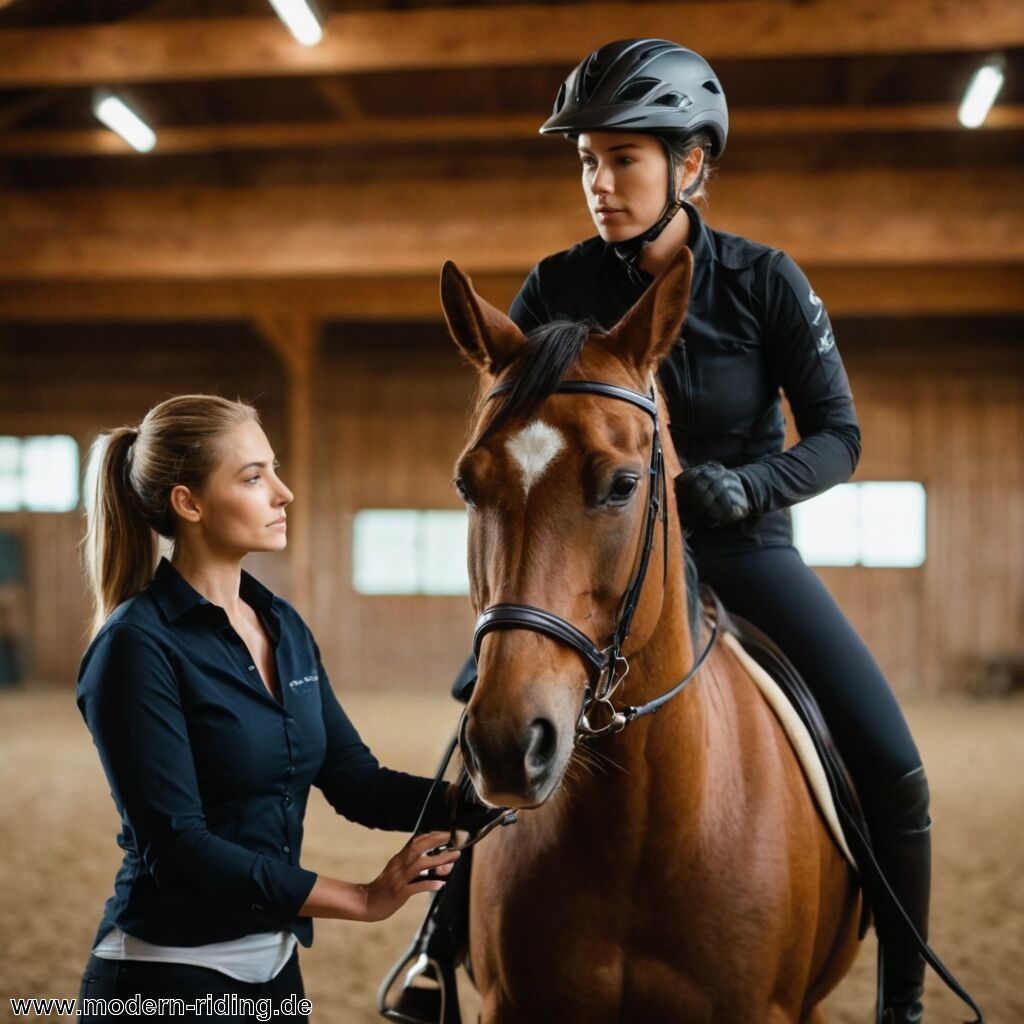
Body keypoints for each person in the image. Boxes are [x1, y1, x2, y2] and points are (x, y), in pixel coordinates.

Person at [513, 38, 932, 1024]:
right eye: (586, 160)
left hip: (742, 554)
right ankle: (436, 954)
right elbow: (525, 446)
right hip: (596, 566)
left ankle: (902, 1003)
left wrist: (747, 487)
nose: (598, 182)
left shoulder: (764, 281)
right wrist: (543, 502)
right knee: (486, 729)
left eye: (622, 159)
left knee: (891, 762)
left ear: (689, 165)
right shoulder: (553, 290)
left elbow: (838, 436)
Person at [76, 394, 468, 1023]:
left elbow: (356, 783)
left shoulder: (283, 626)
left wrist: (479, 804)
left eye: (274, 470)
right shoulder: (135, 647)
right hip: (164, 980)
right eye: (254, 477)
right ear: (189, 502)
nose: (283, 493)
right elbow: (179, 849)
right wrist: (363, 898)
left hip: (275, 976)